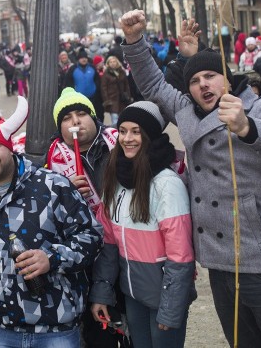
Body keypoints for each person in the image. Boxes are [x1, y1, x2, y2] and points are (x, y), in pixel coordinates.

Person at [119, 10, 261, 347]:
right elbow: (153, 84)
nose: (203, 85)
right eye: (195, 81)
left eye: (211, 76)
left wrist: (248, 128)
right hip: (220, 266)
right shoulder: (186, 112)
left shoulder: (260, 108)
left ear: (227, 78)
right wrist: (133, 40)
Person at [0, 97, 102, 346]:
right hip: (0, 329)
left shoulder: (53, 185)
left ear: (9, 147)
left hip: (56, 327)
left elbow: (92, 237)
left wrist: (52, 258)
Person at [91, 102, 194, 348]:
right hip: (132, 294)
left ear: (150, 136)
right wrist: (102, 292)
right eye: (123, 131)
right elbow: (109, 243)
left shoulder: (166, 183)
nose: (127, 138)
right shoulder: (116, 178)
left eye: (136, 132)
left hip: (162, 296)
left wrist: (170, 307)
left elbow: (180, 255)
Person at [45, 88, 122, 348]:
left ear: (94, 116)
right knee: (99, 330)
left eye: (81, 113)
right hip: (88, 257)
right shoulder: (52, 163)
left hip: (129, 246)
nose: (75, 122)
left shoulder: (119, 142)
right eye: (66, 118)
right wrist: (66, 190)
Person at [65, 48, 101, 115]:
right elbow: (68, 82)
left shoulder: (92, 68)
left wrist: (96, 89)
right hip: (78, 99)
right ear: (78, 59)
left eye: (85, 58)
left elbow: (97, 80)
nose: (84, 59)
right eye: (82, 58)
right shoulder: (73, 69)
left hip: (92, 98)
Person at [100, 55, 132, 126]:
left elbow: (126, 85)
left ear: (117, 62)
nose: (113, 63)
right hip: (112, 100)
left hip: (122, 99)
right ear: (108, 64)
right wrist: (107, 100)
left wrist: (128, 95)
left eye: (114, 61)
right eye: (110, 62)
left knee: (123, 118)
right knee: (114, 120)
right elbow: (103, 88)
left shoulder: (122, 72)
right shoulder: (106, 74)